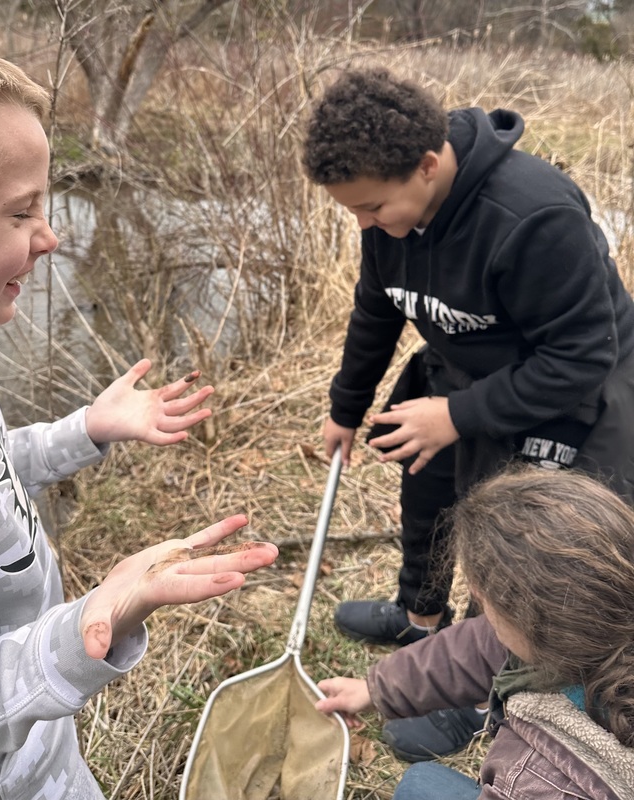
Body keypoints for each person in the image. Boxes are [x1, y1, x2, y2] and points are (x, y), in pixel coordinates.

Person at [0, 17, 279, 800]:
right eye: (19, 214)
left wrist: (83, 430)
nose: (50, 237)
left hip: (40, 758)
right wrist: (102, 613)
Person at [301, 67, 634, 759]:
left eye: (371, 208)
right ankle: (421, 619)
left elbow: (581, 356)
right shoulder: (389, 218)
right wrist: (347, 405)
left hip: (572, 391)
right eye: (354, 212)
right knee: (423, 481)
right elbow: (377, 307)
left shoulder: (533, 216)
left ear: (427, 166)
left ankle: (487, 695)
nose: (364, 225)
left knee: (516, 550)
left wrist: (457, 416)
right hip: (466, 370)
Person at [316, 467, 634, 799]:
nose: (477, 596)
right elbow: (482, 644)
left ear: (534, 627)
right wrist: (376, 689)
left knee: (418, 785)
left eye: (486, 600)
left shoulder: (539, 780)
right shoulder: (597, 613)